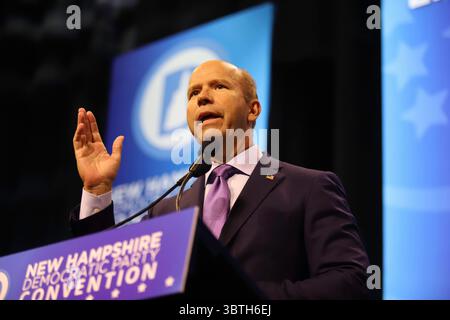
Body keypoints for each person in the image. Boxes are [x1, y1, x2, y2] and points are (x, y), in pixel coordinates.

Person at [70, 60, 370, 299]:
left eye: (219, 86)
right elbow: (109, 281)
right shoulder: (167, 209)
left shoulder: (308, 187)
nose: (202, 97)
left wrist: (246, 302)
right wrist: (97, 189)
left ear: (252, 109)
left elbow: (350, 281)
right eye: (193, 93)